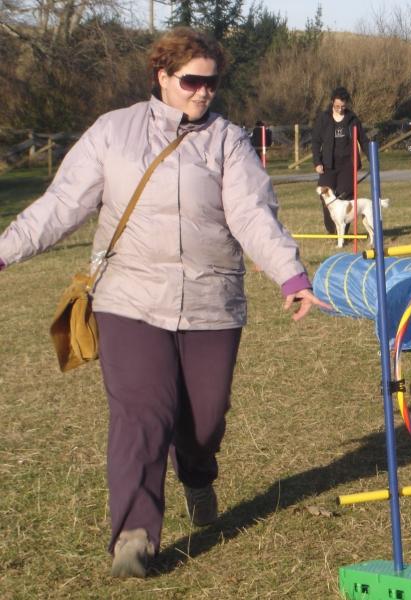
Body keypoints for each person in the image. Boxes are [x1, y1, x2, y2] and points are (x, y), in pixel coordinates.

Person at [0, 27, 329, 578]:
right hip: (129, 298)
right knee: (142, 412)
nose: (203, 92)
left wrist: (290, 275)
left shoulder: (228, 140)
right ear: (162, 76)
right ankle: (133, 533)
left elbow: (252, 213)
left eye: (212, 82)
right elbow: (61, 205)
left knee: (204, 420)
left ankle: (197, 473)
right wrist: (4, 252)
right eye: (191, 81)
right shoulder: (113, 132)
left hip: (211, 300)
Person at [311, 87, 370, 233]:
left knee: (345, 195)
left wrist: (372, 158)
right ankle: (332, 230)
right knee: (324, 193)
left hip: (348, 164)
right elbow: (315, 142)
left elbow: (363, 140)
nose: (340, 109)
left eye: (343, 106)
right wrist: (317, 162)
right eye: (337, 106)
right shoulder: (324, 118)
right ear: (332, 102)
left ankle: (342, 229)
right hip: (328, 163)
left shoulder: (353, 119)